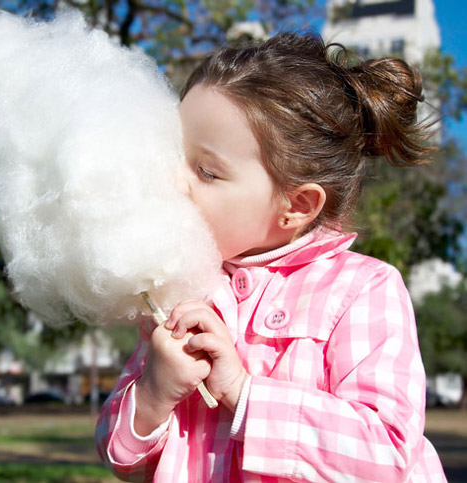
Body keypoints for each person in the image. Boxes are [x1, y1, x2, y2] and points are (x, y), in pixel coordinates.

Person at [95, 32, 446, 482]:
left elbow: (387, 452)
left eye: (206, 171)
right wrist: (152, 394)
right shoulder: (177, 290)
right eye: (175, 158)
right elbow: (117, 455)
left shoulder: (363, 290)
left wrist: (244, 395)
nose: (176, 182)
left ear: (296, 206)